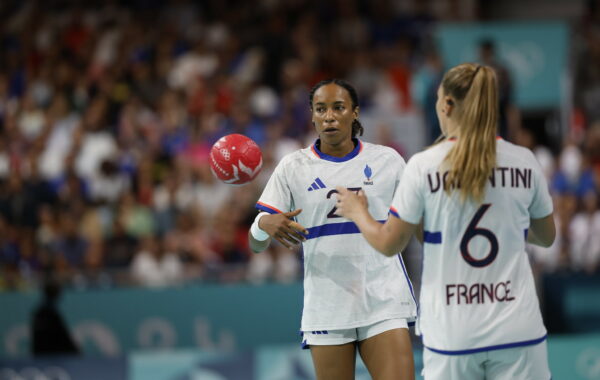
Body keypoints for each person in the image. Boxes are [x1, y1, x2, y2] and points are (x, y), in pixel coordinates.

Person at [336, 63, 555, 380]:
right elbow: (546, 237)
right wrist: (506, 227)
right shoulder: (524, 161)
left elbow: (389, 243)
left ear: (448, 105)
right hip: (518, 330)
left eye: (438, 99)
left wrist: (358, 212)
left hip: (453, 333)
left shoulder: (424, 166)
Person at [248, 79, 417, 380]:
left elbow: (415, 225)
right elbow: (256, 244)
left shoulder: (388, 161)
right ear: (312, 116)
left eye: (338, 107)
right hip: (327, 306)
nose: (329, 116)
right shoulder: (293, 167)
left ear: (355, 113)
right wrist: (263, 224)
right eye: (321, 109)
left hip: (384, 299)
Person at [32, 275, 80, 356]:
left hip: (42, 355)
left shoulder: (39, 312)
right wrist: (75, 351)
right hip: (51, 357)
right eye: (58, 291)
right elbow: (62, 337)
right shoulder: (50, 314)